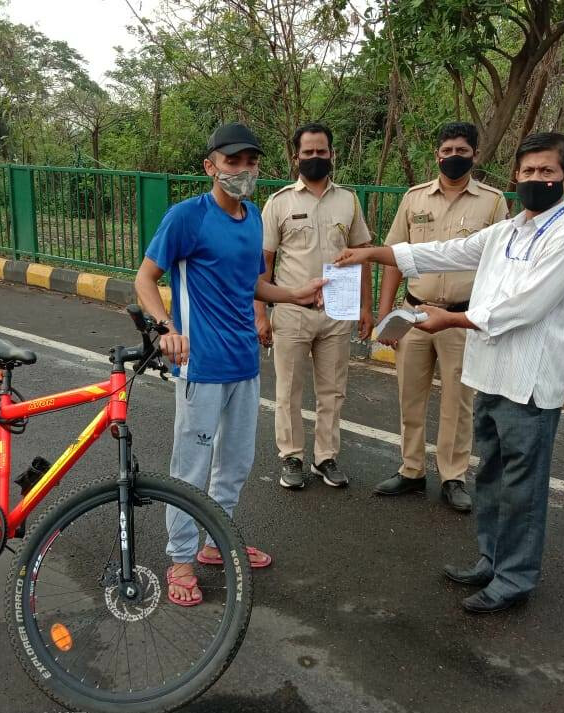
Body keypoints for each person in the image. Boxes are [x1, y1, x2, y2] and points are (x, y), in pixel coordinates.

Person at [335, 132, 564, 613]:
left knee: (522, 488)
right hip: (491, 373)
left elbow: (524, 307)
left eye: (548, 172)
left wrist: (448, 318)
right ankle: (491, 559)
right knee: (492, 477)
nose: (537, 179)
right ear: (516, 175)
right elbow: (444, 253)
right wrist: (372, 254)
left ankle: (514, 579)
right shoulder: (508, 229)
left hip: (530, 383)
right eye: (530, 171)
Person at [135, 122, 325, 607]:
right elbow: (145, 279)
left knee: (235, 463)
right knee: (192, 463)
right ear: (211, 166)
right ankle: (180, 557)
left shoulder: (254, 216)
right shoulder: (186, 218)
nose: (242, 170)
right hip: (200, 364)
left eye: (250, 162)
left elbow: (252, 285)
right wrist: (166, 329)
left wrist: (294, 294)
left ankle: (215, 540)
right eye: (232, 161)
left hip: (244, 361)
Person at [375, 122, 508, 512]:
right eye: (447, 149)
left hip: (459, 318)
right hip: (415, 313)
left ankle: (453, 477)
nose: (454, 156)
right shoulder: (415, 199)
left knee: (459, 402)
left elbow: (501, 263)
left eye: (462, 150)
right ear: (437, 155)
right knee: (409, 397)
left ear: (475, 155)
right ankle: (411, 470)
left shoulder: (493, 202)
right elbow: (395, 259)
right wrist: (386, 315)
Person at [257, 122, 374, 490]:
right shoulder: (279, 203)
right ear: (296, 157)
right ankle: (291, 456)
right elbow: (263, 265)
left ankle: (326, 458)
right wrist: (260, 314)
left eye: (321, 151)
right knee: (288, 390)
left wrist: (366, 310)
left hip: (337, 313)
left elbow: (362, 257)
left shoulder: (349, 200)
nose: (315, 158)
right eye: (308, 152)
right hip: (292, 313)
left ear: (332, 155)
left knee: (333, 391)